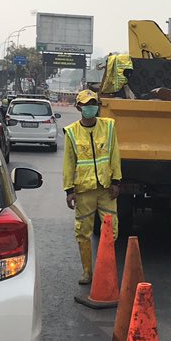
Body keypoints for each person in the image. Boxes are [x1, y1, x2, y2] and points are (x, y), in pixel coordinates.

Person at [63, 90, 122, 284]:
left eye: (94, 103)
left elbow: (114, 155)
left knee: (111, 231)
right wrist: (69, 190)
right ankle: (87, 271)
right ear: (78, 107)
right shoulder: (71, 132)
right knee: (83, 232)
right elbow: (69, 162)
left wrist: (116, 182)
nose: (91, 107)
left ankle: (106, 269)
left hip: (106, 189)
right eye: (87, 104)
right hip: (84, 191)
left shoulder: (109, 127)